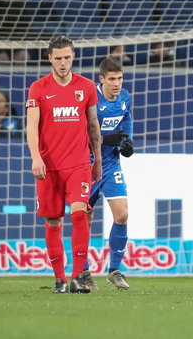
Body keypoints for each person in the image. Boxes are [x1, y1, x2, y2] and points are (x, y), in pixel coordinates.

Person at [26, 35, 102, 294]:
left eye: (67, 57)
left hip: (78, 163)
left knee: (80, 214)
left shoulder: (87, 86)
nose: (62, 62)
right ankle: (59, 279)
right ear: (49, 58)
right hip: (48, 166)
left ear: (73, 56)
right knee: (53, 221)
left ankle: (77, 276)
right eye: (57, 58)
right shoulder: (38, 88)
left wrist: (97, 160)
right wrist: (36, 157)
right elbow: (31, 126)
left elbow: (93, 125)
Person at [83, 57, 133, 290]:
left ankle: (114, 270)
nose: (117, 83)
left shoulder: (125, 97)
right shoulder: (90, 98)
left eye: (120, 78)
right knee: (85, 218)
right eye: (112, 79)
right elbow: (78, 134)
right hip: (86, 164)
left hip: (111, 164)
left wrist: (127, 142)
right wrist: (104, 139)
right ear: (101, 79)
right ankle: (82, 271)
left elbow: (126, 122)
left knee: (122, 214)